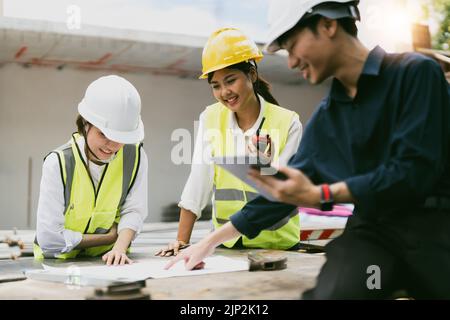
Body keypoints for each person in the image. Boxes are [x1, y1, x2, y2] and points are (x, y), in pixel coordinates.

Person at [166, 0, 450, 299]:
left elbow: (413, 172)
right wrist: (208, 242)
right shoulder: (330, 115)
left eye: (292, 45)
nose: (291, 62)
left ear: (328, 24)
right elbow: (284, 189)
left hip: (435, 228)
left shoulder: (416, 73)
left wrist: (324, 195)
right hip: (374, 235)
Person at [156, 28, 303, 257]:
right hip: (226, 247)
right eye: (216, 85)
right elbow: (198, 181)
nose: (225, 92)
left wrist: (265, 166)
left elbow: (283, 192)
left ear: (252, 75)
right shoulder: (210, 118)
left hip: (277, 246)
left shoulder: (288, 123)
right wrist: (181, 241)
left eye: (230, 80)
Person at [34, 75, 148, 266]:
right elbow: (49, 238)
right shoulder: (58, 163)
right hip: (57, 265)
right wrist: (109, 238)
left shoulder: (135, 157)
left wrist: (119, 248)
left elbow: (135, 210)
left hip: (111, 262)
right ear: (85, 124)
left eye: (120, 137)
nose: (112, 145)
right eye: (103, 134)